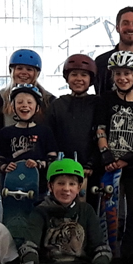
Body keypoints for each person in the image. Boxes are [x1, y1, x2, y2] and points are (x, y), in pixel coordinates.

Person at [97, 50, 133, 230]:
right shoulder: (106, 99)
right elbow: (100, 128)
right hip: (110, 166)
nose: (122, 78)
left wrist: (129, 158)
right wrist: (106, 154)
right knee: (111, 214)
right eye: (118, 73)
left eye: (127, 73)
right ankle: (112, 246)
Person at [45, 54, 102, 205]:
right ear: (67, 77)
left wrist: (92, 163)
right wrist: (54, 161)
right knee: (61, 207)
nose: (78, 79)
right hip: (63, 168)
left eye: (84, 75)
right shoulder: (58, 104)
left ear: (91, 79)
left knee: (87, 209)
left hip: (89, 169)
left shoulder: (97, 103)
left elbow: (102, 134)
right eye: (74, 74)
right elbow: (50, 136)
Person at [0, 49, 56, 154]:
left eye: (29, 69)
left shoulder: (48, 99)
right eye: (19, 68)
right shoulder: (2, 96)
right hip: (10, 157)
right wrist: (5, 149)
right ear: (12, 71)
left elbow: (53, 132)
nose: (24, 73)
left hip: (40, 157)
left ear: (36, 73)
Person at [0, 84, 58, 192]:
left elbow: (53, 160)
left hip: (39, 187)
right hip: (12, 187)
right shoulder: (5, 132)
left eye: (29, 102)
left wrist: (38, 164)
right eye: (19, 102)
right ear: (13, 107)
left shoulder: (45, 131)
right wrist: (5, 166)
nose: (24, 105)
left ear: (37, 107)